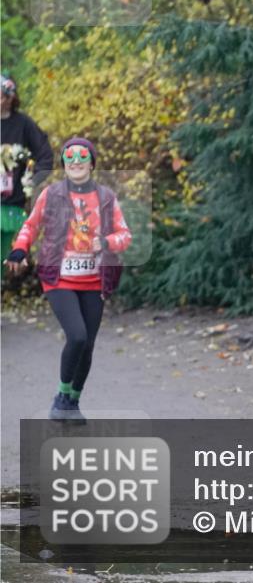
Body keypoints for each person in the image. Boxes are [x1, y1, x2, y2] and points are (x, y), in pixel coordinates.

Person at [4, 137, 131, 424]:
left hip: (94, 280)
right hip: (58, 277)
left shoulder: (106, 197)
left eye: (82, 157)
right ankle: (61, 397)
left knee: (88, 345)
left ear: (91, 163)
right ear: (64, 164)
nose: (75, 162)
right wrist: (21, 248)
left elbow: (125, 235)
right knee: (77, 335)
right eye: (70, 157)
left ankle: (72, 401)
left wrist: (106, 242)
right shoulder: (51, 194)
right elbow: (31, 225)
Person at [2, 73, 54, 277]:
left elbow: (45, 155)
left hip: (12, 203)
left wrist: (32, 181)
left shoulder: (23, 123)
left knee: (7, 255)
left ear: (10, 98)